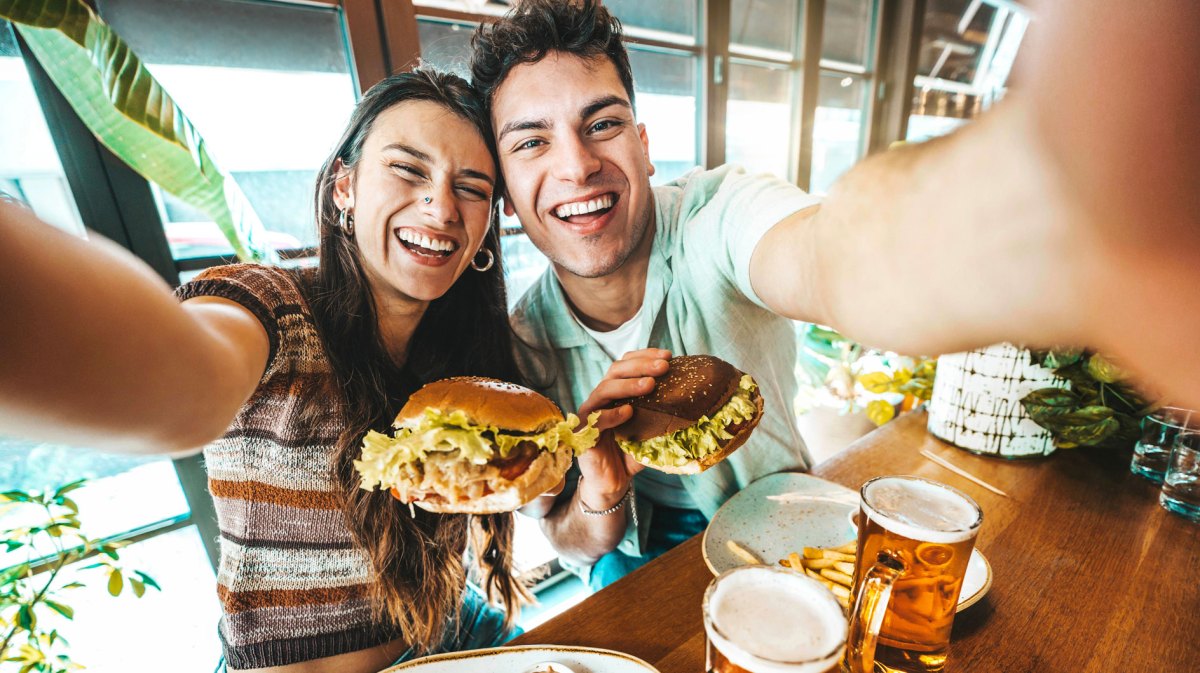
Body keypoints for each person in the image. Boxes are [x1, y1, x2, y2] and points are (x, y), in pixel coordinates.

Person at [469, 0, 1200, 590]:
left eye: (602, 123)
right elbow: (561, 528)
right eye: (532, 142)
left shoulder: (718, 214)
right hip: (623, 568)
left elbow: (831, 255)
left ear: (645, 142)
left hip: (779, 530)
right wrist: (600, 484)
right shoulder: (521, 343)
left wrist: (1075, 193)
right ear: (502, 186)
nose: (577, 165)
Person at [0, 69, 534, 672]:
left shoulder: (465, 354)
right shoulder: (269, 303)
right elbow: (187, 385)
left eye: (471, 187)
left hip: (455, 637)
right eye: (408, 169)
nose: (441, 207)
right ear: (344, 187)